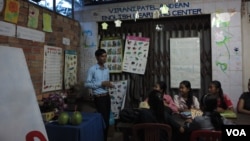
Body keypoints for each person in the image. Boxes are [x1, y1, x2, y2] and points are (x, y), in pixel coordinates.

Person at [84, 49, 114, 141]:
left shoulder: (106, 69)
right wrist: (101, 83)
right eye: (102, 56)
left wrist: (109, 85)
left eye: (105, 56)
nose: (104, 58)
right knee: (102, 121)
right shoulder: (92, 69)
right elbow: (86, 84)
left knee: (107, 120)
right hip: (99, 98)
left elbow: (106, 82)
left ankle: (104, 138)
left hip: (106, 96)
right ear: (97, 57)